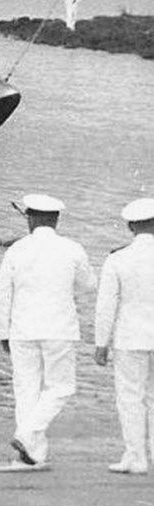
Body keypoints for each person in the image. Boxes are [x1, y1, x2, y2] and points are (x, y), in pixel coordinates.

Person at [0, 193, 95, 466]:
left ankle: (31, 453)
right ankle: (28, 439)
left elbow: (2, 295)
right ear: (56, 219)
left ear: (30, 219)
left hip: (22, 330)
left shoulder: (16, 249)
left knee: (26, 391)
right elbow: (89, 287)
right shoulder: (72, 248)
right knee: (61, 387)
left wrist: (3, 332)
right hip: (59, 329)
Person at [93, 197, 154, 474]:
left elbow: (106, 305)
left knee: (130, 398)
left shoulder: (117, 258)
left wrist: (100, 343)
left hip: (130, 336)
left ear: (130, 226)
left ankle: (137, 457)